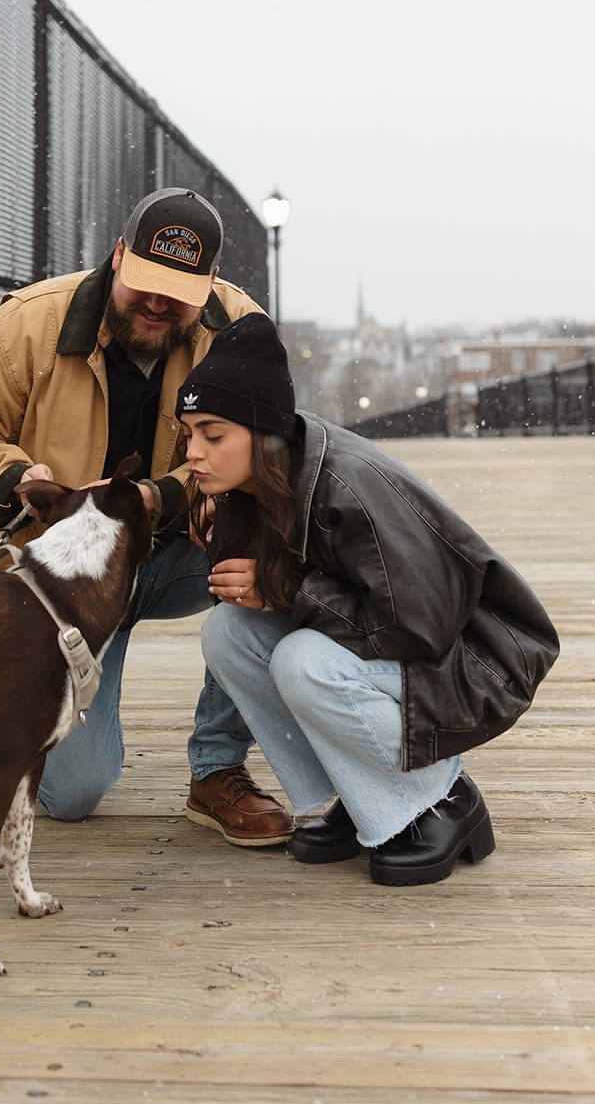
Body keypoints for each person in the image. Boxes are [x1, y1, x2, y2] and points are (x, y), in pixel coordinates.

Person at [0, 188, 293, 846]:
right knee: (70, 795)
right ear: (117, 257)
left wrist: (161, 497)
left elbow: (264, 450)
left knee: (275, 559)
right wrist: (13, 478)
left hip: (179, 553)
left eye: (175, 292)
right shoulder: (27, 324)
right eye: (143, 282)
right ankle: (9, 715)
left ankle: (216, 771)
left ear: (207, 287)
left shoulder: (236, 329)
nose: (154, 303)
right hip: (63, 575)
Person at [175, 312, 560, 885]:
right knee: (228, 635)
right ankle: (359, 801)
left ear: (263, 431)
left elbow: (419, 626)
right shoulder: (253, 485)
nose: (194, 453)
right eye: (188, 434)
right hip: (401, 644)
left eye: (213, 435)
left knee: (301, 660)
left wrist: (282, 589)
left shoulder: (350, 485)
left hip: (471, 658)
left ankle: (441, 799)